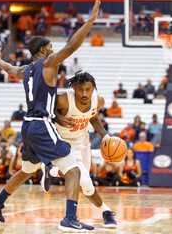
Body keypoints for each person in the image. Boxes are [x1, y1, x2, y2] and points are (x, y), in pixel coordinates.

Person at [0, 0, 100, 232]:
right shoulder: (48, 64)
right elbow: (72, 46)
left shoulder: (26, 71)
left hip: (27, 126)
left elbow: (10, 69)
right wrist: (90, 21)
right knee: (74, 169)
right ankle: (69, 218)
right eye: (49, 46)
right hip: (41, 125)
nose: (53, 49)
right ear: (42, 50)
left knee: (27, 170)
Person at [47, 73, 117, 228]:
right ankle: (106, 211)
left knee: (85, 185)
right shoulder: (63, 99)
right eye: (80, 89)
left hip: (83, 143)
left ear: (93, 89)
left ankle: (51, 172)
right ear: (74, 89)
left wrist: (106, 137)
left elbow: (93, 117)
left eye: (87, 89)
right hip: (64, 143)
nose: (84, 93)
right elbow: (45, 112)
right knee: (83, 179)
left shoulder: (98, 101)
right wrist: (58, 118)